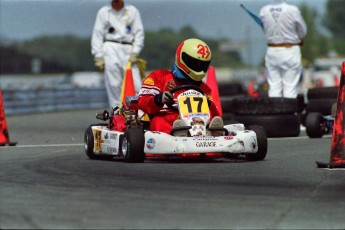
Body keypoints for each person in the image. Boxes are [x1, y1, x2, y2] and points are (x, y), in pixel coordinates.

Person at [137, 38, 223, 136]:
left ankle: (214, 134)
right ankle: (178, 134)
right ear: (182, 58)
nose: (199, 67)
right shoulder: (159, 76)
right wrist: (158, 99)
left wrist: (208, 104)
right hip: (167, 121)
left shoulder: (204, 88)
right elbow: (142, 102)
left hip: (197, 125)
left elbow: (216, 114)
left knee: (212, 121)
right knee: (158, 122)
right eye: (195, 63)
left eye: (203, 64)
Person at [91, 0, 144, 107]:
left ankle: (138, 111)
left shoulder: (132, 11)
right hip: (110, 47)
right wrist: (98, 55)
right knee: (113, 84)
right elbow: (97, 34)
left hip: (128, 48)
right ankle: (116, 112)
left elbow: (139, 33)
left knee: (136, 83)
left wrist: (135, 51)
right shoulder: (103, 12)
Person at [259, 0, 307, 98]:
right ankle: (289, 112)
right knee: (290, 87)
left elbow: (265, 29)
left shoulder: (264, 11)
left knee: (273, 87)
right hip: (290, 49)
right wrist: (297, 36)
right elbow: (302, 31)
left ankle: (275, 111)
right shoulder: (293, 10)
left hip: (272, 50)